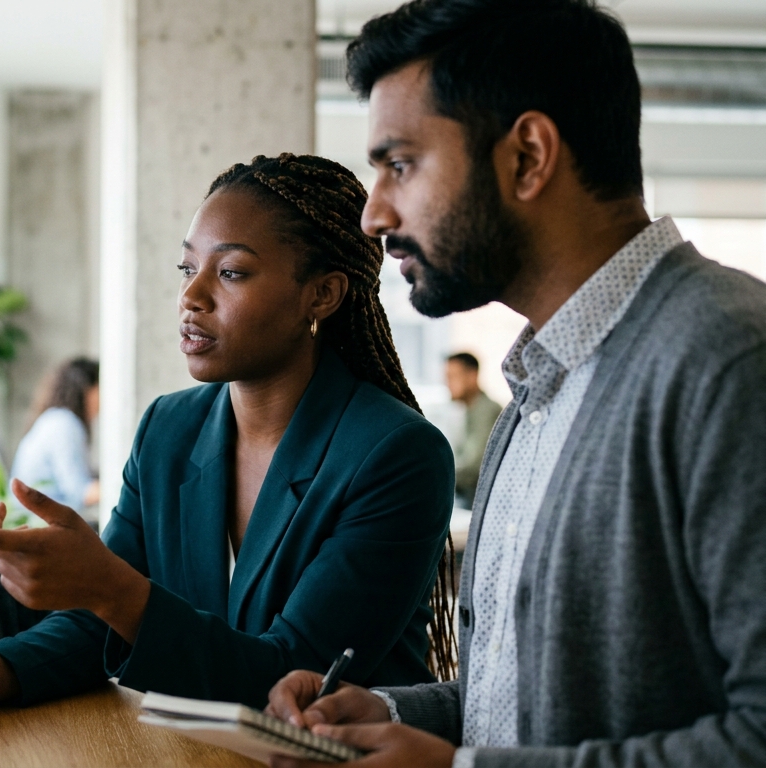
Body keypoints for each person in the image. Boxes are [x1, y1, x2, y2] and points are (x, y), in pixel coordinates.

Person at [0, 154, 458, 720]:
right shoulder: (171, 428)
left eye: (233, 272)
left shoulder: (396, 456)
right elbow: (96, 622)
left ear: (323, 295)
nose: (193, 296)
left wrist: (113, 589)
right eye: (189, 269)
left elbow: (283, 680)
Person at [262, 1, 766, 766]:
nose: (373, 213)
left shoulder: (727, 360)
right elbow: (522, 703)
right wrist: (390, 711)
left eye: (400, 164)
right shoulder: (537, 387)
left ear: (528, 155)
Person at [9, 357, 101, 520]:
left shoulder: (54, 419)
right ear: (87, 390)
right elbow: (79, 492)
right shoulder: (65, 424)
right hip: (41, 523)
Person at [443, 352, 500, 507]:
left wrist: (435, 476)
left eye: (452, 377)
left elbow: (473, 467)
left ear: (472, 376)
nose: (447, 384)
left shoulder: (487, 411)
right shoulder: (467, 411)